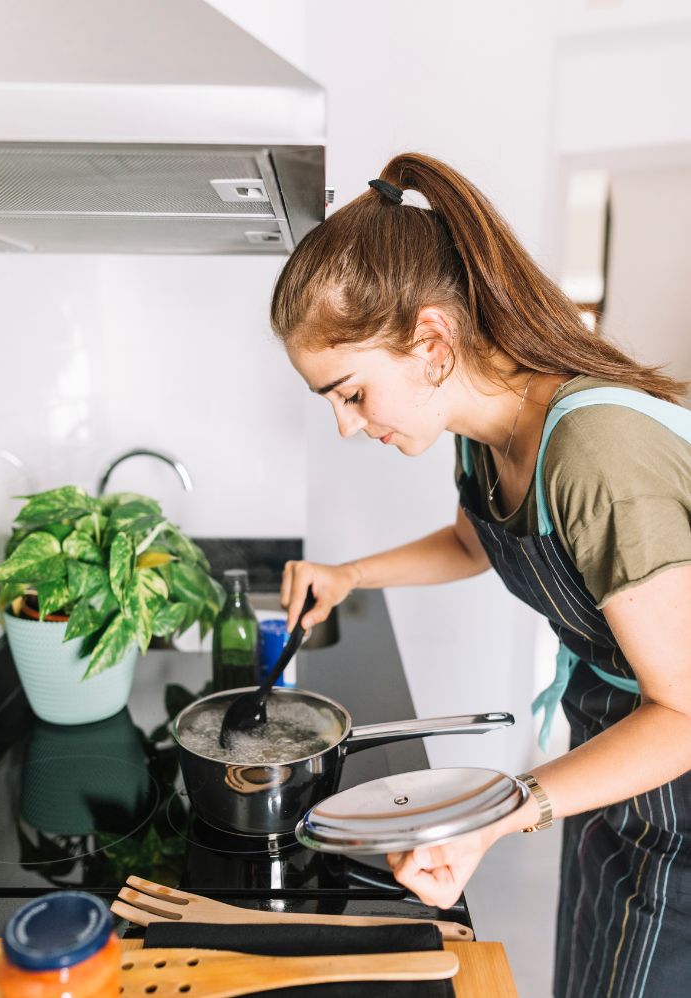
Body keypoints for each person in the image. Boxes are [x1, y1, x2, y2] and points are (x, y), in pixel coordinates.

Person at [271, 153, 691, 998]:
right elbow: (476, 543)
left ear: (430, 341)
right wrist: (349, 573)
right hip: (615, 737)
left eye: (349, 394)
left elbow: (684, 711)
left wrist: (497, 814)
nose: (346, 427)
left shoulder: (595, 451)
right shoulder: (486, 430)